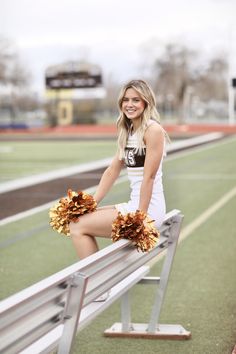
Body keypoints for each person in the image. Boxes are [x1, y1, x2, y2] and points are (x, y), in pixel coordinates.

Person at [69, 79, 166, 260]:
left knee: (77, 226)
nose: (129, 104)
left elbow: (149, 178)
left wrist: (140, 218)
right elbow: (112, 170)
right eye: (126, 100)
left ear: (146, 102)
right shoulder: (128, 131)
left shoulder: (153, 130)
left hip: (148, 210)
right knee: (79, 218)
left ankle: (95, 282)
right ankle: (97, 281)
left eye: (136, 100)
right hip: (134, 204)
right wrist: (91, 204)